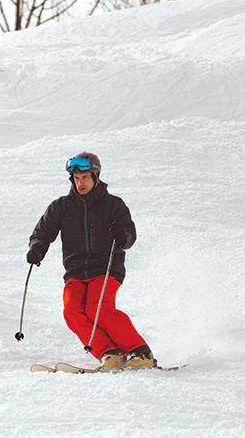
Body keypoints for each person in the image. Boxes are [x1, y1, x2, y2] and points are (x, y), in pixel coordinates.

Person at [26, 152, 156, 370]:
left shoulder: (113, 205)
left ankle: (139, 351)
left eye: (85, 177)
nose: (80, 183)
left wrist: (122, 236)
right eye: (76, 178)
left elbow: (129, 235)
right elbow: (43, 231)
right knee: (73, 312)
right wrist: (37, 248)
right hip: (76, 271)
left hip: (106, 268)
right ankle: (109, 353)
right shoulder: (61, 207)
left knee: (98, 308)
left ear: (96, 176)